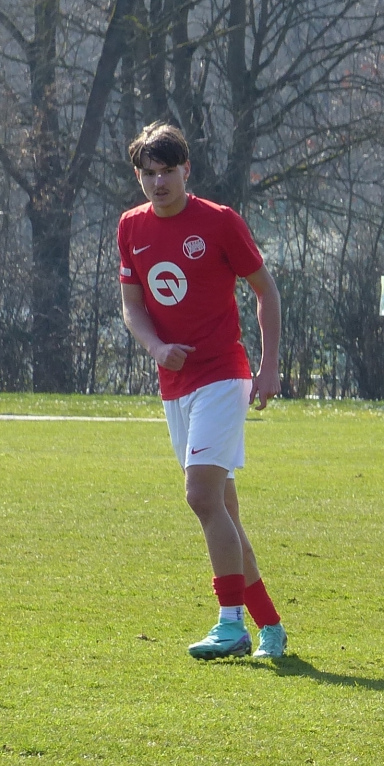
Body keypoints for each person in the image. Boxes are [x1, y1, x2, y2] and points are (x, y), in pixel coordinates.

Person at [117, 122, 286, 662]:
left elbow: (266, 291)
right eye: (149, 173)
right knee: (224, 510)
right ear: (139, 176)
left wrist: (269, 367)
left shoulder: (219, 222)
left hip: (223, 376)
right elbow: (132, 306)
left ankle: (230, 624)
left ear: (186, 170)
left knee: (200, 497)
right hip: (176, 385)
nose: (159, 181)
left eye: (168, 170)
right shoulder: (130, 227)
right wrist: (156, 348)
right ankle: (270, 626)